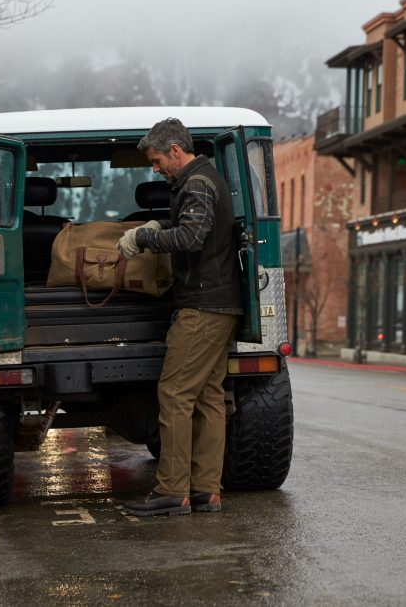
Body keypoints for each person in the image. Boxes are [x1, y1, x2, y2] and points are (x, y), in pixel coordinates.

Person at [117, 117, 242, 516]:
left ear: (175, 151)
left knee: (174, 394)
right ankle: (206, 490)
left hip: (203, 307)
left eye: (156, 160)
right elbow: (193, 228)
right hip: (220, 305)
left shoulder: (198, 184)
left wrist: (144, 237)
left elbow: (191, 237)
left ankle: (172, 490)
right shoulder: (205, 180)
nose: (156, 168)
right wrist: (160, 224)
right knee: (208, 398)